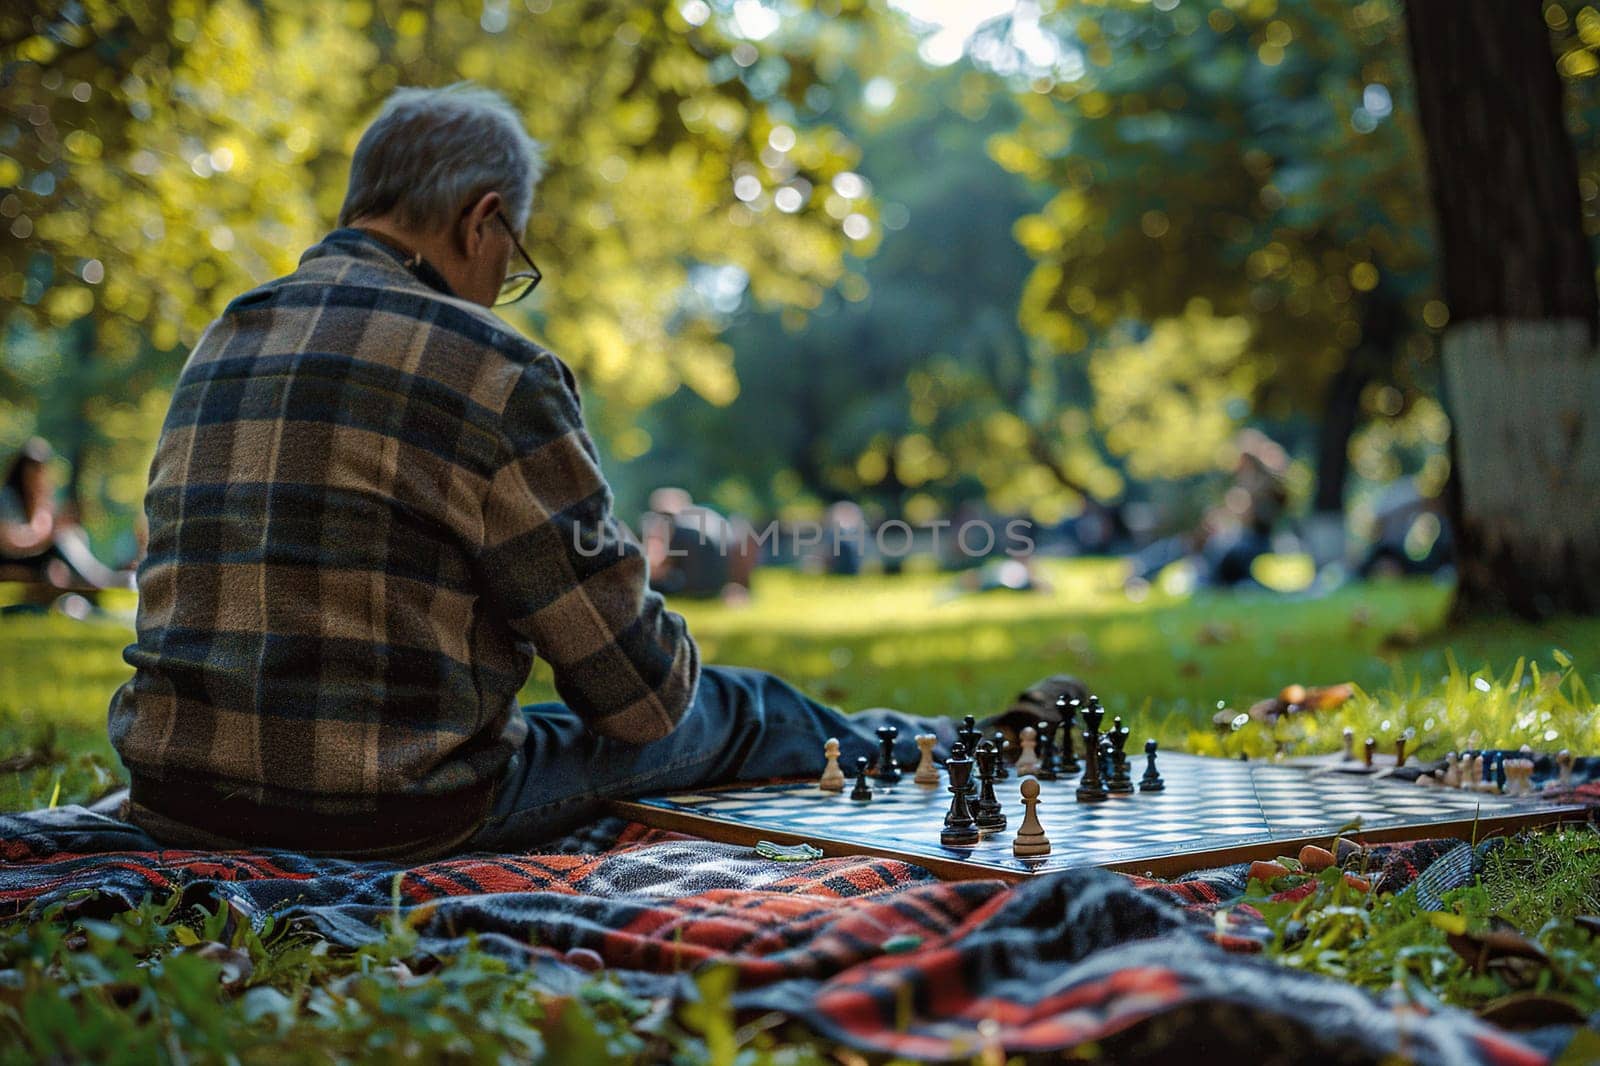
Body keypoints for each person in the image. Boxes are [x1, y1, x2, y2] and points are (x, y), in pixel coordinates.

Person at [107, 84, 954, 860]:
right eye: (512, 259)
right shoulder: (493, 367)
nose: (503, 282)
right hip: (385, 810)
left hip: (178, 796)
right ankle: (945, 742)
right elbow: (642, 700)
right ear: (483, 221)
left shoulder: (227, 336)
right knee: (745, 708)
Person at [0, 437, 130, 593]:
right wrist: (50, 535)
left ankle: (101, 579)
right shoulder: (7, 498)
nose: (39, 476)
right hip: (10, 558)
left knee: (68, 536)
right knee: (61, 540)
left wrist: (58, 528)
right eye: (34, 469)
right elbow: (9, 544)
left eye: (42, 470)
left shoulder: (42, 502)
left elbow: (43, 534)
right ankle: (102, 580)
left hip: (35, 557)